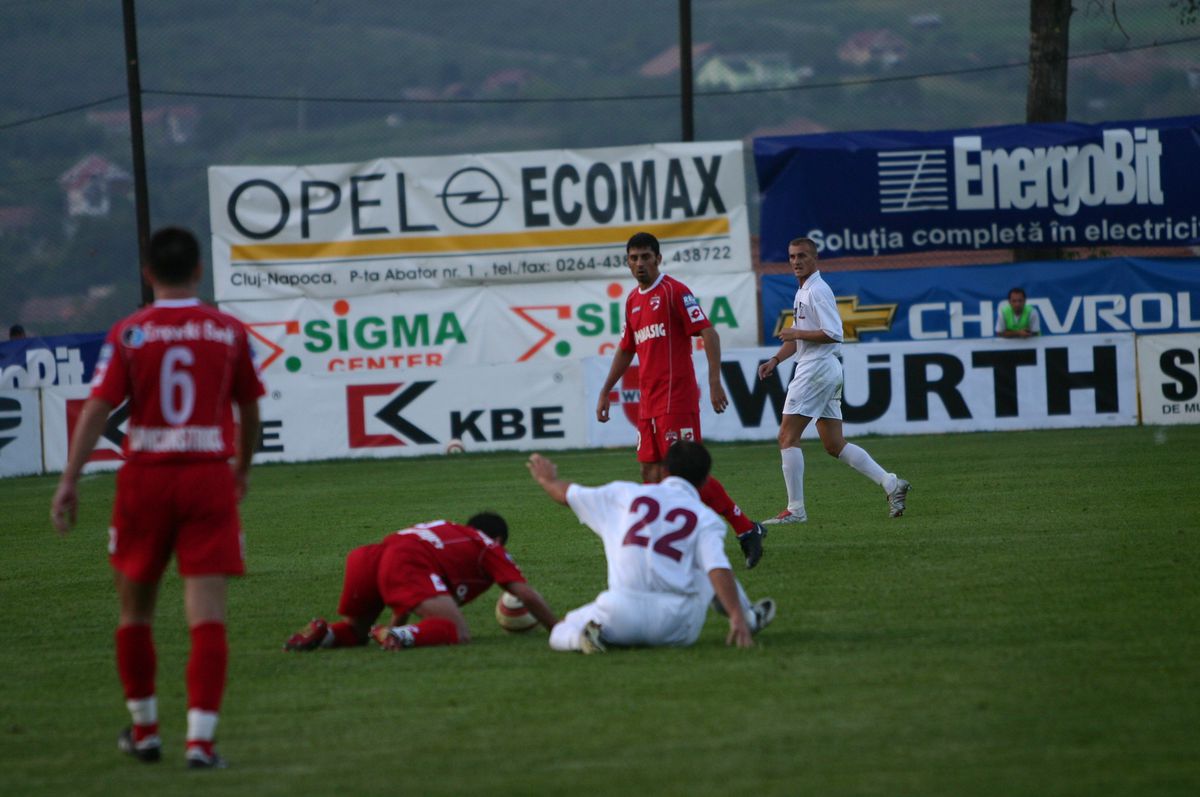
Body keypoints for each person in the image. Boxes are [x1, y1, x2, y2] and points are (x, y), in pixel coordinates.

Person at [50, 227, 264, 770]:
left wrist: (70, 478)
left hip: (145, 479)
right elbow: (250, 410)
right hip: (205, 478)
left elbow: (98, 407)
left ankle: (145, 731)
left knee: (135, 613)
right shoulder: (228, 331)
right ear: (198, 271)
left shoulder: (130, 333)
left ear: (148, 273)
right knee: (207, 615)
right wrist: (240, 467)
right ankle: (201, 742)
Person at [595, 231, 768, 568]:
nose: (640, 263)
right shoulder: (632, 300)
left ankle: (746, 529)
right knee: (650, 471)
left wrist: (715, 381)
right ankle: (670, 542)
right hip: (648, 403)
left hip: (677, 398)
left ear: (658, 259)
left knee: (685, 473)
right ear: (627, 262)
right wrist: (606, 390)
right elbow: (627, 348)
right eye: (634, 258)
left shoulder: (674, 291)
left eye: (646, 256)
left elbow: (709, 332)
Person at [527, 441, 775, 653]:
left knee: (561, 629)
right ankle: (749, 618)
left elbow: (567, 494)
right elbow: (718, 568)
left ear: (663, 471)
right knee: (702, 567)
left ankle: (580, 639)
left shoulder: (624, 494)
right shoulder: (705, 517)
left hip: (620, 614)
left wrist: (547, 479)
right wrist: (736, 617)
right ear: (705, 481)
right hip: (677, 625)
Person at [757, 237, 910, 524]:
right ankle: (891, 483)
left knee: (787, 437)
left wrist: (797, 334)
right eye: (791, 256)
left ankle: (795, 510)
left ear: (814, 258)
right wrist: (776, 359)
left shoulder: (817, 290)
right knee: (834, 444)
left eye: (802, 255)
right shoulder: (804, 290)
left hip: (815, 369)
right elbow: (799, 334)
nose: (796, 261)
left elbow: (834, 332)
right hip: (824, 369)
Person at [283, 512, 557, 652]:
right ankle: (399, 637)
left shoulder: (449, 532)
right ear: (498, 539)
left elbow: (409, 592)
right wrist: (560, 629)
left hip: (370, 557)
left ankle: (325, 632)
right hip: (405, 560)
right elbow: (526, 594)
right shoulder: (488, 546)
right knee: (457, 632)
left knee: (356, 633)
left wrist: (389, 628)